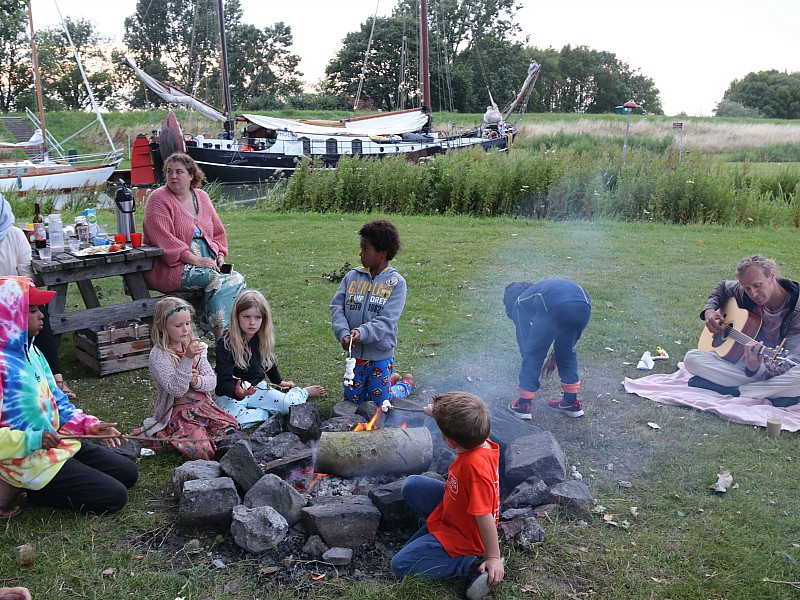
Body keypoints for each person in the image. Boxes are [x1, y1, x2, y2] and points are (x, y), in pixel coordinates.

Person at [0, 276, 137, 515]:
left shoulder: (32, 351)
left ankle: (50, 476)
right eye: (32, 311)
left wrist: (91, 426)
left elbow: (57, 403)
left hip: (57, 446)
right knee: (114, 497)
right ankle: (13, 484)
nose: (41, 315)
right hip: (26, 460)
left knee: (128, 473)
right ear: (8, 316)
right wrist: (33, 440)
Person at [391, 391, 504, 600]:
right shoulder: (480, 438)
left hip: (464, 535)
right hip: (452, 506)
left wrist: (493, 557)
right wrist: (434, 411)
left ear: (450, 443)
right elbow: (460, 416)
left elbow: (484, 515)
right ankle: (433, 529)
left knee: (400, 565)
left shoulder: (474, 468)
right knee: (412, 485)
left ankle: (468, 565)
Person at [142, 152, 246, 340]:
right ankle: (222, 338)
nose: (173, 176)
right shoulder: (158, 199)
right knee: (216, 280)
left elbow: (217, 232)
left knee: (236, 279)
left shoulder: (202, 197)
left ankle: (232, 336)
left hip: (208, 261)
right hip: (174, 267)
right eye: (169, 172)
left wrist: (220, 255)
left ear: (191, 175)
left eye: (179, 172)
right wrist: (197, 260)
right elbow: (163, 239)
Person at [683, 255, 800, 406]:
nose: (753, 294)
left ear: (772, 276)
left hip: (780, 366)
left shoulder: (797, 310)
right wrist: (709, 311)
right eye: (747, 288)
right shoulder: (745, 291)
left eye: (757, 285)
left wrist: (755, 370)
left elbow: (790, 362)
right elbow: (722, 286)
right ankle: (771, 393)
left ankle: (736, 390)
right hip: (744, 361)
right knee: (692, 359)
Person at [134, 297, 238, 460]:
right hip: (178, 412)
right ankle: (192, 442)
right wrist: (187, 359)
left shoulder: (197, 348)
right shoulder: (159, 355)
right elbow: (176, 389)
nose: (185, 329)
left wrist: (197, 381)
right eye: (178, 325)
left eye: (188, 323)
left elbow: (211, 382)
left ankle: (226, 452)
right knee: (201, 450)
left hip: (204, 407)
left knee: (230, 431)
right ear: (162, 327)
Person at [0, 194, 74, 397]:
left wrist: (14, 297)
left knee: (38, 314)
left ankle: (56, 379)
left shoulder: (14, 235)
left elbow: (26, 276)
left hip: (15, 297)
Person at [215, 290, 325, 426]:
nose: (252, 323)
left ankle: (302, 392)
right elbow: (224, 379)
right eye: (246, 316)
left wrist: (278, 381)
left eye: (257, 317)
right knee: (231, 421)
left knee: (289, 405)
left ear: (264, 319)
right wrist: (237, 392)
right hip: (231, 394)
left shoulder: (261, 338)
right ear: (237, 316)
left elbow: (268, 362)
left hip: (256, 389)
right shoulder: (225, 343)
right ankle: (266, 412)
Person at [330, 219, 407, 405]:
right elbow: (337, 307)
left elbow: (386, 321)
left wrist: (362, 333)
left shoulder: (396, 284)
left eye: (366, 249)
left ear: (382, 253)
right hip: (355, 356)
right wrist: (343, 334)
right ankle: (391, 379)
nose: (360, 253)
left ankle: (403, 385)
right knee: (352, 399)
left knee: (381, 401)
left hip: (380, 354)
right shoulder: (352, 277)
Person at [503, 279, 592, 420]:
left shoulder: (519, 303)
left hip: (555, 305)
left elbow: (526, 344)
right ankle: (570, 401)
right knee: (566, 350)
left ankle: (523, 404)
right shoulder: (540, 291)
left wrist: (532, 367)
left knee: (533, 353)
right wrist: (555, 357)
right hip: (584, 304)